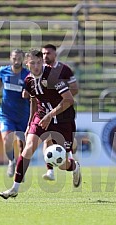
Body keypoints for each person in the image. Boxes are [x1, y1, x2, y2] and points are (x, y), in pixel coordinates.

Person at [0, 49, 82, 199]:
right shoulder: (28, 80)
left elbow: (69, 100)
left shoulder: (52, 77)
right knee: (28, 148)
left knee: (62, 164)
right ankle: (14, 188)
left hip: (62, 119)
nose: (36, 66)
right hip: (41, 116)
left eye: (39, 63)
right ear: (27, 63)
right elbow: (33, 100)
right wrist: (29, 123)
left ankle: (74, 166)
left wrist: (50, 115)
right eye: (32, 63)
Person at [41, 44, 79, 181]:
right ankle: (50, 171)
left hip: (65, 112)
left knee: (66, 150)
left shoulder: (65, 70)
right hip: (48, 112)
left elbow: (75, 89)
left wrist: (62, 95)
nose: (46, 56)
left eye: (48, 53)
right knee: (47, 139)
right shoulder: (41, 71)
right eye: (43, 53)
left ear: (55, 54)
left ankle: (74, 165)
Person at [0, 49, 30, 177]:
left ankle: (20, 169)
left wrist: (28, 94)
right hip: (6, 114)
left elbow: (33, 91)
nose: (16, 61)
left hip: (23, 115)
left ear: (23, 59)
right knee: (7, 140)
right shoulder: (3, 70)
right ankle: (11, 161)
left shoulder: (27, 75)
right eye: (14, 58)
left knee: (23, 144)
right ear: (10, 58)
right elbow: (0, 79)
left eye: (19, 58)